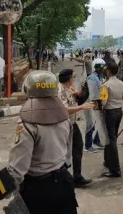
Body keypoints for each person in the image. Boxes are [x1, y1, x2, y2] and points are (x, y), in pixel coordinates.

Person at [8, 71, 79, 214]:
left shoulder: (27, 122)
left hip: (37, 189)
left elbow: (18, 169)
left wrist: (6, 192)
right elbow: (68, 154)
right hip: (64, 183)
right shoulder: (65, 118)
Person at [58, 69, 94, 187]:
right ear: (68, 79)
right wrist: (82, 107)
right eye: (72, 78)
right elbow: (64, 109)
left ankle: (77, 177)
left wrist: (83, 91)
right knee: (63, 151)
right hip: (63, 125)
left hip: (72, 124)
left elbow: (77, 99)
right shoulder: (60, 90)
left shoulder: (69, 88)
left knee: (78, 146)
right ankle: (62, 178)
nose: (73, 79)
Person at [102, 62, 123, 177]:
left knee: (111, 140)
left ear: (108, 71)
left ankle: (115, 169)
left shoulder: (106, 85)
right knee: (111, 137)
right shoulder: (122, 84)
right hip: (119, 112)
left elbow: (103, 103)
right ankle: (108, 161)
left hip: (109, 113)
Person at [87, 58, 110, 151]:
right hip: (94, 103)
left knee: (99, 123)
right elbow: (93, 95)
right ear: (95, 67)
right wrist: (98, 104)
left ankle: (96, 140)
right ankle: (88, 145)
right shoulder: (92, 78)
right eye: (100, 67)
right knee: (91, 124)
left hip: (98, 103)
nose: (103, 69)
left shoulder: (100, 76)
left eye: (103, 67)